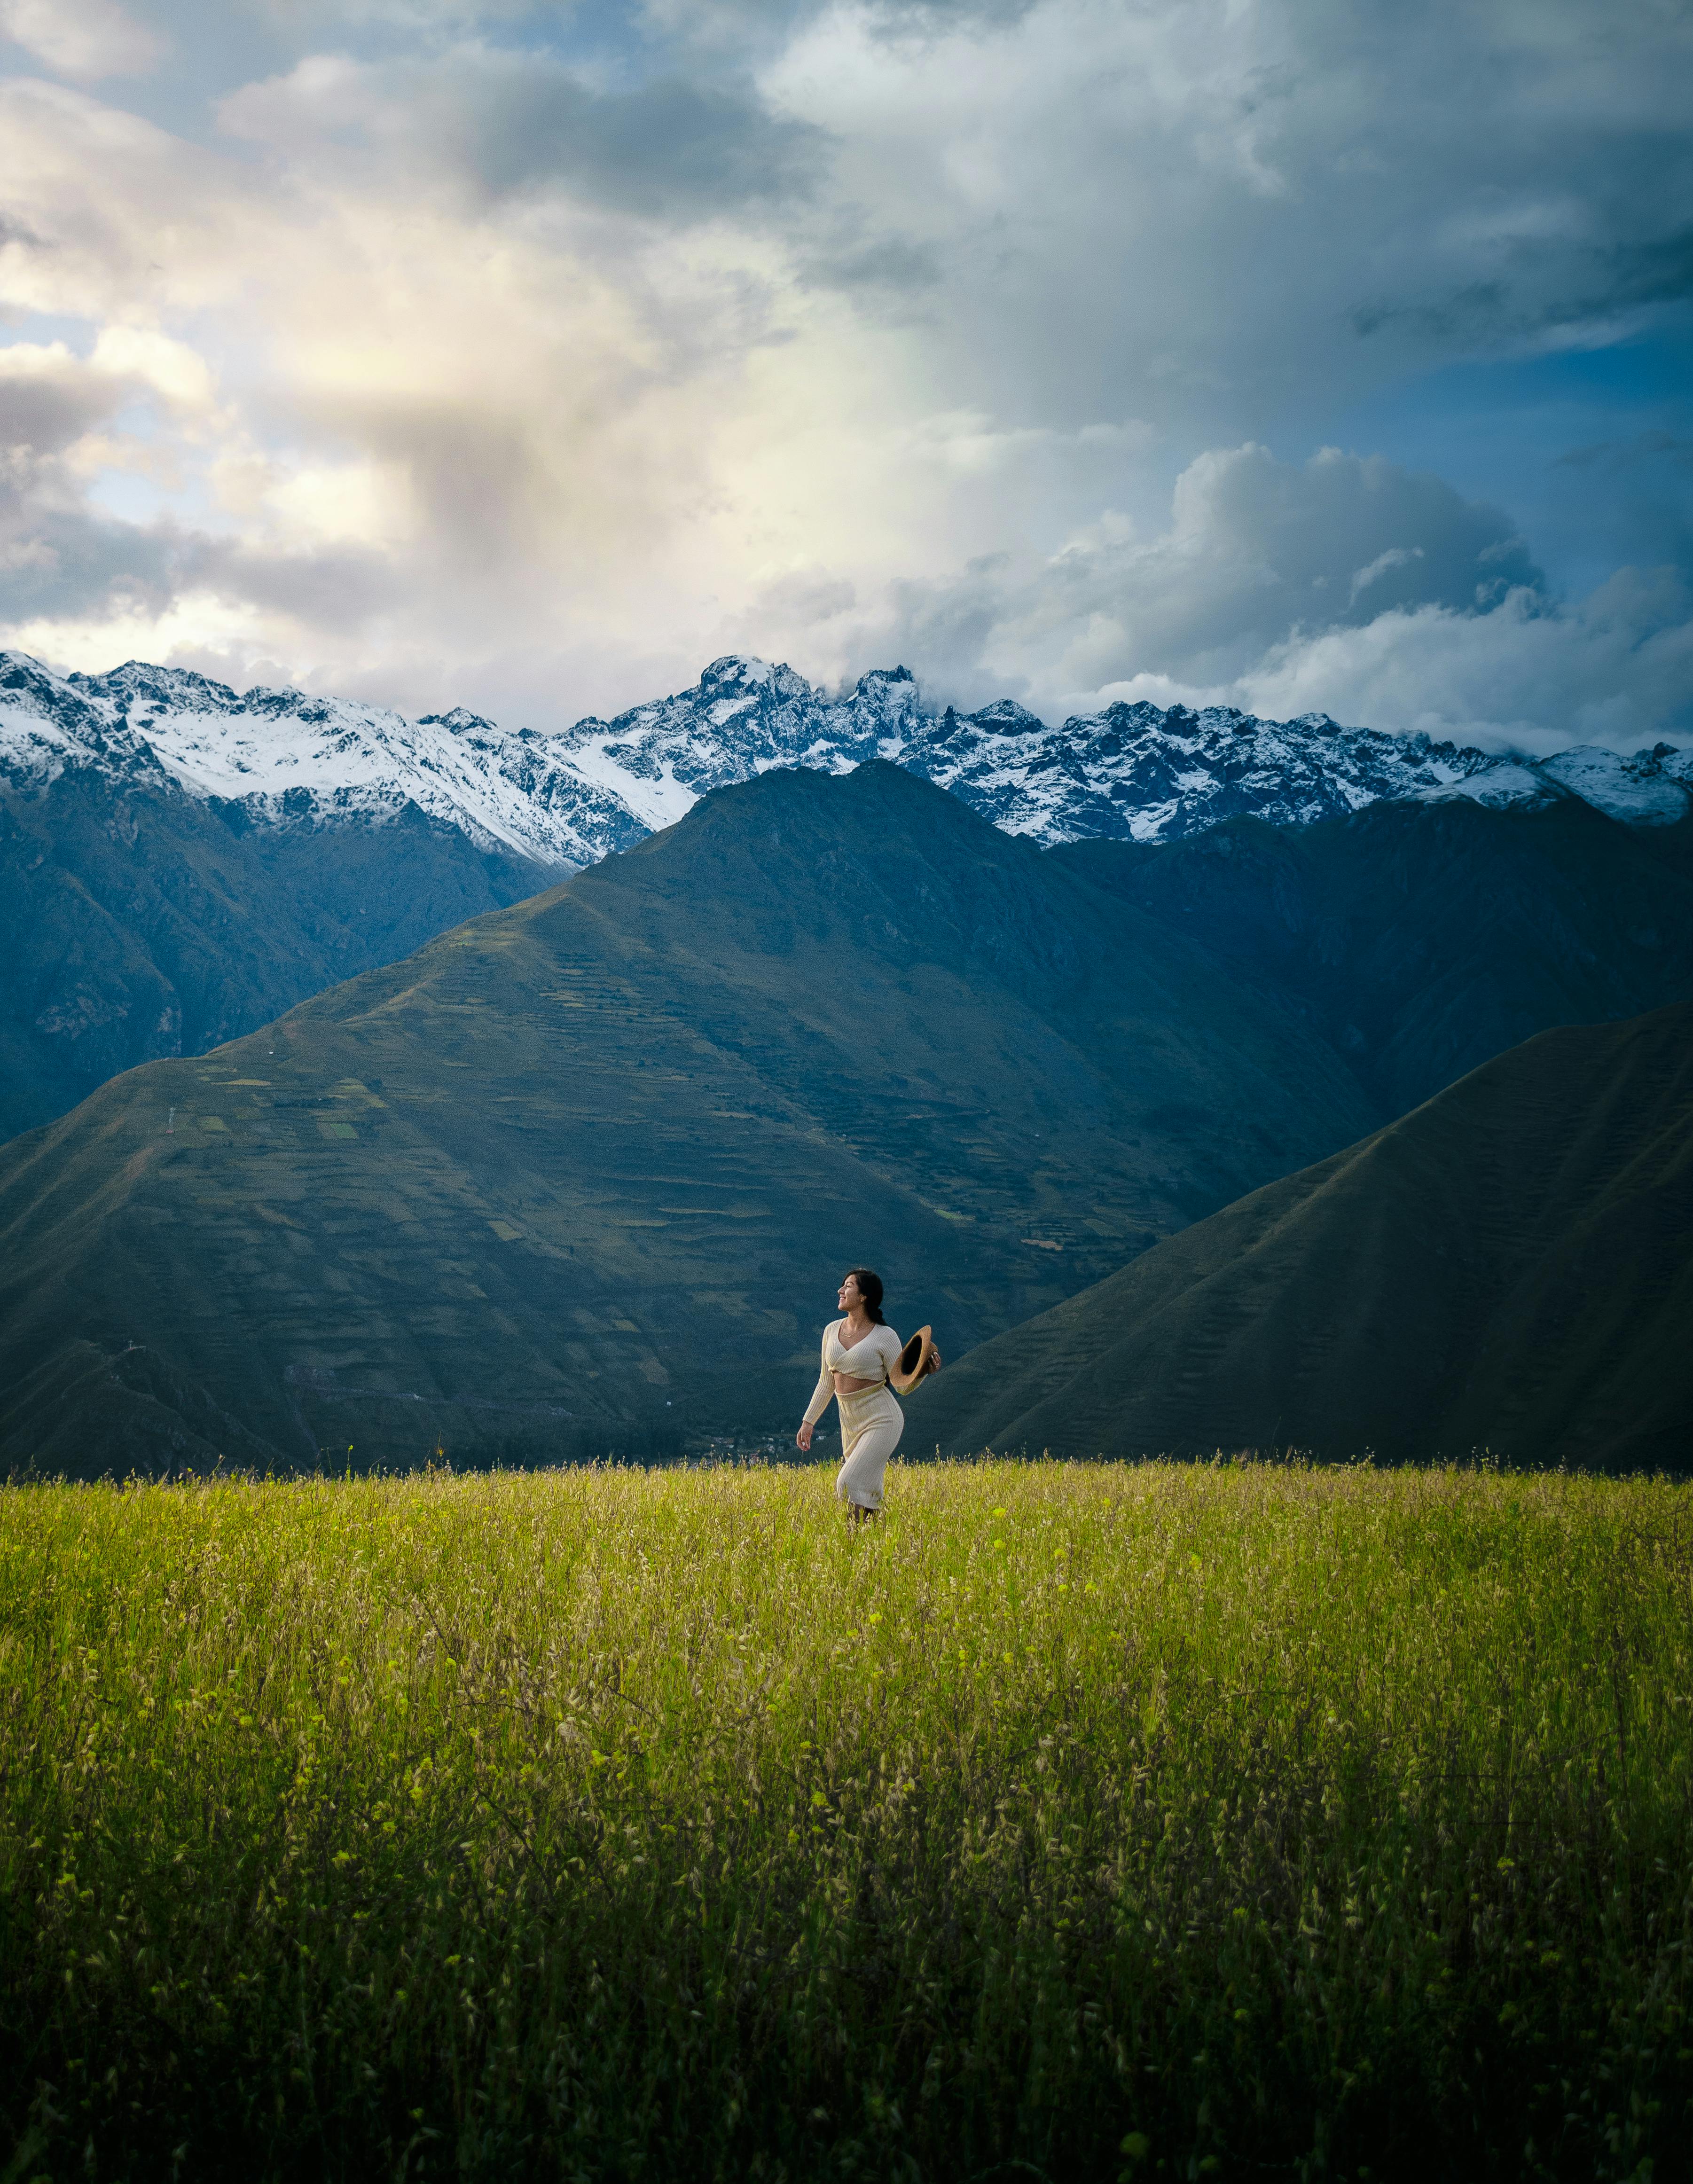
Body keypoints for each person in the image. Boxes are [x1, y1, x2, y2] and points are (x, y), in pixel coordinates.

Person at [795, 1268, 939, 1520]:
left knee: (847, 1483)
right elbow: (826, 1382)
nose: (841, 1291)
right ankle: (864, 1548)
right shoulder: (831, 1330)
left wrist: (924, 1371)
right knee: (866, 1493)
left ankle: (862, 1545)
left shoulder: (885, 1336)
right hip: (850, 1421)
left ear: (864, 1296)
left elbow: (902, 1386)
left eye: (848, 1286)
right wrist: (808, 1422)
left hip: (882, 1418)